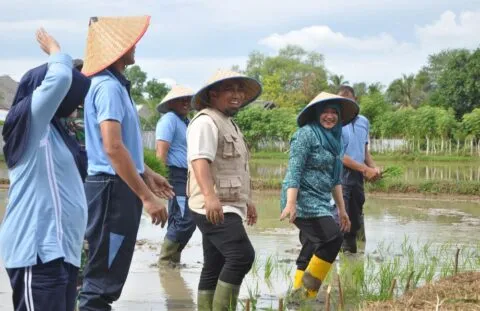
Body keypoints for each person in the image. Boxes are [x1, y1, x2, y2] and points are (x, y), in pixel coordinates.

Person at [77, 16, 174, 310]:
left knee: (104, 272)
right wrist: (146, 196)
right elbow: (112, 146)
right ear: (116, 49)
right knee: (101, 280)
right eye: (130, 42)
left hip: (115, 187)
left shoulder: (117, 87)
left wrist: (148, 172)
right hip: (111, 190)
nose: (135, 46)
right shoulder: (107, 87)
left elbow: (123, 145)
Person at [0, 28, 91, 311]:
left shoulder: (58, 135)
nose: (74, 102)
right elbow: (60, 78)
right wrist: (55, 50)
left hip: (62, 253)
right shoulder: (30, 128)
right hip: (36, 252)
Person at [187, 70, 261, 310]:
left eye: (240, 90)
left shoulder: (229, 123)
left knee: (215, 263)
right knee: (241, 256)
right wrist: (210, 196)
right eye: (230, 89)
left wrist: (247, 201)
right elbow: (200, 161)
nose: (237, 95)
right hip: (214, 204)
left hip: (228, 203)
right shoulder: (206, 121)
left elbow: (235, 167)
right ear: (214, 94)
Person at [280, 92, 359, 299]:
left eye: (334, 112)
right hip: (302, 199)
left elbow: (335, 179)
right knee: (333, 238)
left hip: (322, 200)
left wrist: (342, 210)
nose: (330, 116)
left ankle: (297, 294)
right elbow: (294, 171)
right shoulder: (305, 134)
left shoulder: (335, 140)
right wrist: (291, 203)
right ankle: (306, 293)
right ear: (316, 114)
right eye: (325, 111)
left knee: (312, 244)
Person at [156, 85, 197, 266]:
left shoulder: (186, 122)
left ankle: (173, 260)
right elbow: (161, 152)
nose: (186, 103)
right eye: (181, 99)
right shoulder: (169, 119)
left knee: (186, 218)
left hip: (188, 176)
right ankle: (165, 261)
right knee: (184, 219)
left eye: (188, 100)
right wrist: (159, 181)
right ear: (171, 103)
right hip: (175, 175)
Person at [338, 85, 380, 253]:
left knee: (356, 212)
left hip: (358, 175)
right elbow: (339, 155)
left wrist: (374, 168)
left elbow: (364, 151)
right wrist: (365, 169)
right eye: (342, 102)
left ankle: (352, 258)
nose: (346, 106)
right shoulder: (336, 122)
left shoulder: (364, 121)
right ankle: (342, 254)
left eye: (349, 102)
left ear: (355, 101)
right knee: (343, 213)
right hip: (341, 173)